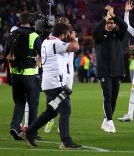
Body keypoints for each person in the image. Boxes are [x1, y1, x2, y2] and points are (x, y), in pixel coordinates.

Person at [20, 23, 81, 149]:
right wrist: (73, 37)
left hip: (49, 84)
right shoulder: (56, 43)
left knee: (51, 112)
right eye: (66, 35)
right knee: (65, 110)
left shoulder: (47, 41)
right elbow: (75, 47)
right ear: (63, 34)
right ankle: (66, 141)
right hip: (55, 85)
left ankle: (29, 132)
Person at [5, 12, 42, 141]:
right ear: (31, 21)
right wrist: (39, 59)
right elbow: (42, 51)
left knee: (19, 102)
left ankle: (15, 127)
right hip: (30, 75)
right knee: (33, 103)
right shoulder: (34, 35)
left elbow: (6, 53)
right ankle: (31, 132)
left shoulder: (12, 34)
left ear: (19, 21)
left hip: (15, 74)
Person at [93, 5, 128, 133]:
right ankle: (110, 121)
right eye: (108, 23)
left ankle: (106, 120)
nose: (110, 24)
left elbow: (124, 26)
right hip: (104, 72)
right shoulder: (100, 36)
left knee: (113, 98)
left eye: (112, 23)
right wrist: (106, 18)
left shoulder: (118, 36)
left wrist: (114, 16)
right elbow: (95, 30)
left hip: (117, 72)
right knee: (107, 97)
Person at [44, 16, 76, 133]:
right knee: (52, 97)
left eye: (65, 22)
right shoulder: (54, 38)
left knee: (65, 97)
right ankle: (50, 120)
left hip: (68, 73)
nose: (62, 23)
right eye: (60, 22)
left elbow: (74, 47)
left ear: (68, 24)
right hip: (57, 73)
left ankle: (61, 122)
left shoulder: (71, 36)